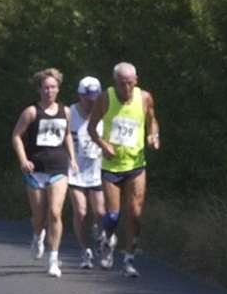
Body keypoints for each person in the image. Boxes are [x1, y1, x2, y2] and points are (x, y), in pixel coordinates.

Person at [84, 61, 160, 277]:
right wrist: (103, 145)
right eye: (121, 84)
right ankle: (107, 240)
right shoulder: (105, 98)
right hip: (111, 166)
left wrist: (153, 135)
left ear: (136, 81)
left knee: (135, 214)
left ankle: (129, 259)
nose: (125, 88)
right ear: (114, 82)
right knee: (114, 215)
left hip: (136, 165)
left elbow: (153, 121)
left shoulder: (144, 98)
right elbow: (91, 128)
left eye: (129, 83)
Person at [10, 68, 77, 278]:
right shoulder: (31, 112)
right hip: (36, 169)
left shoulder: (65, 111)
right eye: (46, 87)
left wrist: (72, 158)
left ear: (58, 89)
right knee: (39, 215)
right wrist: (23, 160)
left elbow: (66, 135)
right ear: (40, 89)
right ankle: (38, 235)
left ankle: (53, 258)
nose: (49, 91)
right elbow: (16, 136)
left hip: (58, 167)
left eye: (53, 87)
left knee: (55, 212)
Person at [66, 76, 107, 269]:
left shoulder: (105, 113)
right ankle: (85, 250)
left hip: (97, 169)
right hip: (75, 170)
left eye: (95, 98)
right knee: (81, 212)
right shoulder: (70, 113)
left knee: (100, 212)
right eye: (88, 98)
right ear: (80, 96)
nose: (92, 102)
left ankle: (100, 233)